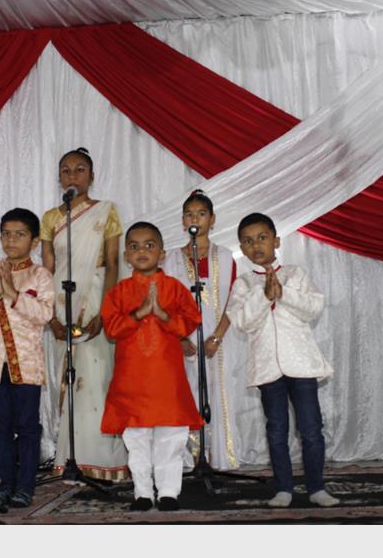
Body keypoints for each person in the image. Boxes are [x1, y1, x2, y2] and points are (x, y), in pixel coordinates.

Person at [225, 213, 339, 508]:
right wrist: (264, 297)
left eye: (262, 238)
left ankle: (316, 487)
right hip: (268, 369)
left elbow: (313, 307)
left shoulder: (295, 273)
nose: (256, 245)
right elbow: (241, 322)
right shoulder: (243, 284)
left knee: (311, 429)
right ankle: (284, 488)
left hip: (301, 365)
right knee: (276, 431)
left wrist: (282, 293)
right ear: (242, 248)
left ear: (276, 241)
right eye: (248, 241)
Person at [100, 222, 203, 512]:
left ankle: (169, 492)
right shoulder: (119, 292)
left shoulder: (175, 288)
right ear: (126, 256)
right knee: (136, 438)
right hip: (132, 379)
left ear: (162, 253)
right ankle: (143, 492)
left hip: (167, 379)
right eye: (134, 246)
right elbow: (112, 330)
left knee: (171, 437)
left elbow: (190, 322)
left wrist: (163, 315)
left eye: (149, 245)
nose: (142, 251)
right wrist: (140, 313)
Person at [40, 147, 129, 482]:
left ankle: (105, 461)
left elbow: (113, 263)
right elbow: (47, 271)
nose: (72, 175)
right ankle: (69, 458)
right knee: (68, 379)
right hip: (61, 306)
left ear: (92, 176)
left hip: (95, 301)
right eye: (66, 170)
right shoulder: (50, 218)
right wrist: (51, 317)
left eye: (79, 169)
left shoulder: (107, 211)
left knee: (98, 379)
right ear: (59, 178)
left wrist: (105, 311)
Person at [0, 208, 54, 511]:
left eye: (19, 234)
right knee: (0, 426)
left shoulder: (40, 275)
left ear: (34, 241)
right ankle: (5, 484)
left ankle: (25, 487)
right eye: (6, 234)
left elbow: (45, 314)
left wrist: (15, 294)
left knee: (28, 426)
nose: (11, 240)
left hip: (27, 365)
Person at [164, 190, 243, 471]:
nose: (195, 219)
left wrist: (217, 337)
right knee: (185, 395)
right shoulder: (171, 259)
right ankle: (191, 457)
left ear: (212, 219)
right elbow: (166, 303)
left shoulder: (226, 256)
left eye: (201, 214)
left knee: (218, 394)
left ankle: (218, 456)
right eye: (189, 214)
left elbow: (234, 300)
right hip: (182, 341)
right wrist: (181, 338)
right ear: (183, 221)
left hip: (217, 341)